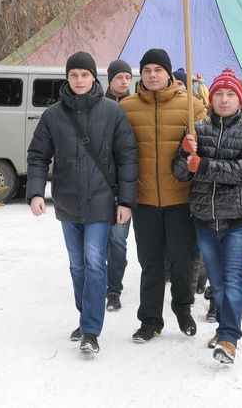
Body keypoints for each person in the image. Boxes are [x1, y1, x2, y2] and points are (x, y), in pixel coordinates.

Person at [26, 51, 138, 355]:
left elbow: (127, 157)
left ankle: (91, 329)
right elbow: (38, 156)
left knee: (93, 262)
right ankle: (84, 316)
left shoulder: (112, 113)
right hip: (67, 202)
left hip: (101, 201)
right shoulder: (53, 116)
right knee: (77, 266)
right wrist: (37, 192)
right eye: (74, 75)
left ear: (93, 78)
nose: (79, 80)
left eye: (84, 75)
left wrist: (126, 201)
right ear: (67, 77)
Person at [172, 69, 242, 364]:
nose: (224, 100)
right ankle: (225, 327)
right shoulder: (196, 130)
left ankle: (228, 338)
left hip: (239, 219)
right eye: (219, 95)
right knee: (218, 282)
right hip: (205, 218)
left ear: (239, 101)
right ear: (210, 99)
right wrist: (183, 154)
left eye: (230, 95)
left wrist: (202, 164)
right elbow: (178, 173)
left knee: (234, 279)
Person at [120, 48, 207, 343]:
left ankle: (182, 308)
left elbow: (207, 147)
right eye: (147, 70)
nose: (152, 75)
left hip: (180, 199)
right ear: (140, 75)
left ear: (168, 74)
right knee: (151, 262)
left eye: (158, 70)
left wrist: (196, 147)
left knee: (183, 261)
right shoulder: (127, 107)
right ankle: (150, 320)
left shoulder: (192, 106)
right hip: (144, 200)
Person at [103, 59, 134, 311]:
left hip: (124, 184)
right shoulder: (97, 105)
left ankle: (114, 289)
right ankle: (99, 280)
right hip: (98, 184)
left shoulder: (135, 107)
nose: (124, 81)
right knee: (99, 241)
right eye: (120, 77)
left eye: (127, 77)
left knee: (117, 240)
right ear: (110, 79)